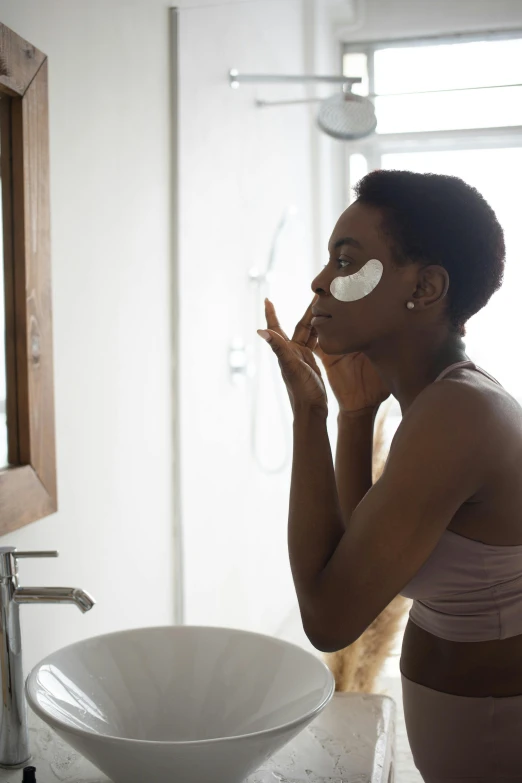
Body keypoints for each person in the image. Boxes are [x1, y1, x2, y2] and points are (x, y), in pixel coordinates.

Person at [257, 169, 522, 782]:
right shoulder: (443, 401)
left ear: (426, 287)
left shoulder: (459, 415)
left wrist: (309, 413)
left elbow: (329, 619)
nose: (320, 281)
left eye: (346, 262)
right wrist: (353, 415)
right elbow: (366, 557)